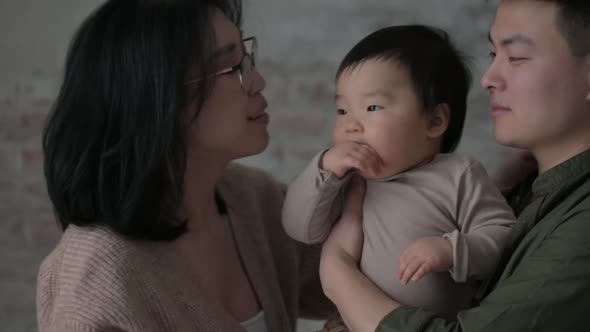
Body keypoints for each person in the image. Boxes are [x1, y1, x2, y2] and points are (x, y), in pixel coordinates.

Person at [36, 0, 334, 331]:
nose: (257, 80)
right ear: (159, 98)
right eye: (233, 67)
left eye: (247, 57)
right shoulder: (97, 277)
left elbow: (372, 274)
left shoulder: (253, 199)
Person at [320, 0, 590, 331]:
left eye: (516, 57)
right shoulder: (526, 191)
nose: (488, 79)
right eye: (493, 56)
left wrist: (338, 276)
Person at [282, 25, 516, 330]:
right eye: (342, 111)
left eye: (371, 107)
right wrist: (325, 166)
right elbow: (299, 227)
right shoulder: (345, 181)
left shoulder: (459, 175)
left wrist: (451, 250)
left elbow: (504, 237)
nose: (351, 125)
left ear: (434, 121)